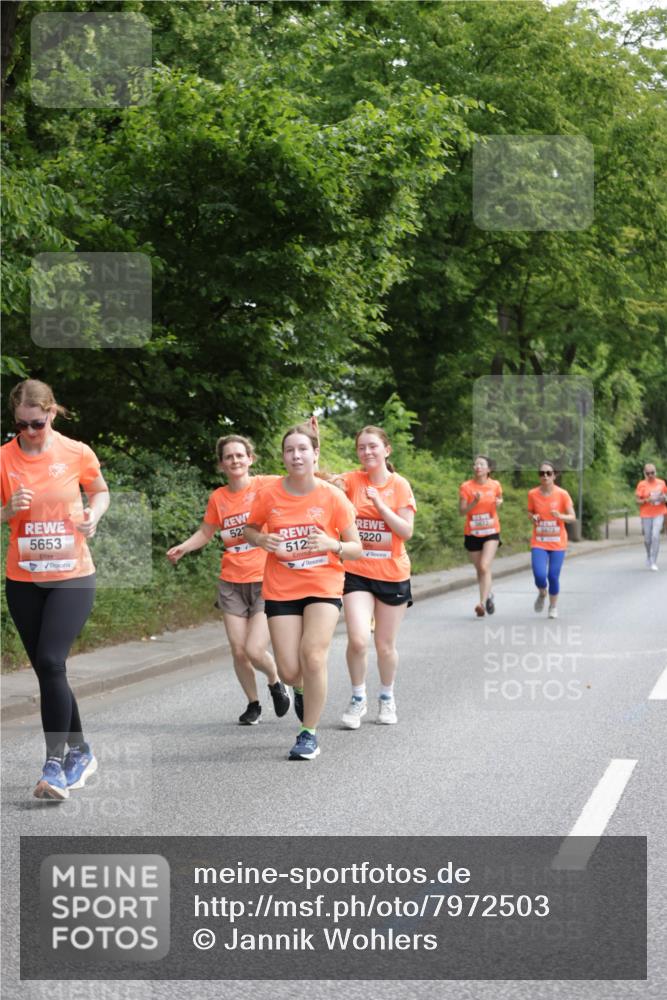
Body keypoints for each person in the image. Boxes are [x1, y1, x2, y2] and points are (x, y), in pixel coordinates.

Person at [1, 379, 110, 800]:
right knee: (51, 671)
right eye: (22, 424)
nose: (30, 432)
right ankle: (81, 750)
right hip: (24, 579)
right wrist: (6, 510)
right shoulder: (3, 459)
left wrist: (93, 514)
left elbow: (100, 491)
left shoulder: (76, 452)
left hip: (72, 575)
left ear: (51, 412)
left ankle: (55, 763)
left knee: (50, 659)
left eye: (37, 423)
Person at [243, 423, 361, 760]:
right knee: (291, 669)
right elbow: (250, 529)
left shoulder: (331, 496)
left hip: (323, 584)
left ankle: (308, 733)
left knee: (313, 655)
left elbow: (356, 548)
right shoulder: (269, 494)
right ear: (284, 456)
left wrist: (332, 544)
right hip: (281, 588)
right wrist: (261, 539)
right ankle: (296, 687)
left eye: (302, 449)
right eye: (290, 450)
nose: (296, 455)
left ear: (315, 453)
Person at [167, 435, 290, 724]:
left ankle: (274, 681)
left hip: (266, 579)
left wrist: (314, 451)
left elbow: (300, 481)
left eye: (240, 455)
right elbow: (206, 533)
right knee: (238, 650)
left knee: (254, 648)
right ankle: (253, 704)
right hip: (231, 581)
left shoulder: (266, 485)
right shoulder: (218, 498)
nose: (235, 460)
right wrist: (184, 546)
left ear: (250, 458)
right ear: (221, 464)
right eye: (229, 457)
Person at [336, 426, 416, 729]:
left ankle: (386, 696)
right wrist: (311, 442)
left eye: (372, 447)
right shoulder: (352, 480)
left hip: (392, 574)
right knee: (357, 640)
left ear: (386, 450)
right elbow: (320, 480)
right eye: (361, 448)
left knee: (384, 645)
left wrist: (381, 505)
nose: (367, 452)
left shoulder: (400, 486)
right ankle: (358, 698)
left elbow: (406, 531)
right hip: (356, 572)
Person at [527, 462, 576, 619]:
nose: (545, 476)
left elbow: (572, 517)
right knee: (539, 575)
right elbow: (530, 513)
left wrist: (560, 516)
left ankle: (553, 606)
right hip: (539, 541)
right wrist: (533, 517)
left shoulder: (562, 494)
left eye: (549, 473)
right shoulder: (533, 494)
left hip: (557, 542)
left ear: (555, 475)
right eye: (542, 473)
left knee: (553, 576)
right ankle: (542, 593)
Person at [459, 456, 503, 618]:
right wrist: (474, 502)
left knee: (484, 566)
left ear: (488, 469)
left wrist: (499, 502)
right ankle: (489, 595)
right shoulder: (466, 487)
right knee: (480, 569)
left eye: (481, 464)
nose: (478, 467)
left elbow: (499, 499)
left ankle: (482, 603)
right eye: (476, 464)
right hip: (472, 533)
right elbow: (462, 511)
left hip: (491, 531)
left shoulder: (495, 485)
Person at [635, 463, 666, 571]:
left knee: (655, 535)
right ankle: (649, 555)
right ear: (644, 474)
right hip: (646, 514)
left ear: (655, 472)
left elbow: (666, 496)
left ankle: (653, 561)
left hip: (659, 512)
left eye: (652, 473)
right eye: (648, 473)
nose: (650, 475)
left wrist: (663, 498)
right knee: (647, 539)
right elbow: (637, 501)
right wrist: (647, 500)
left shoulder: (661, 483)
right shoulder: (641, 484)